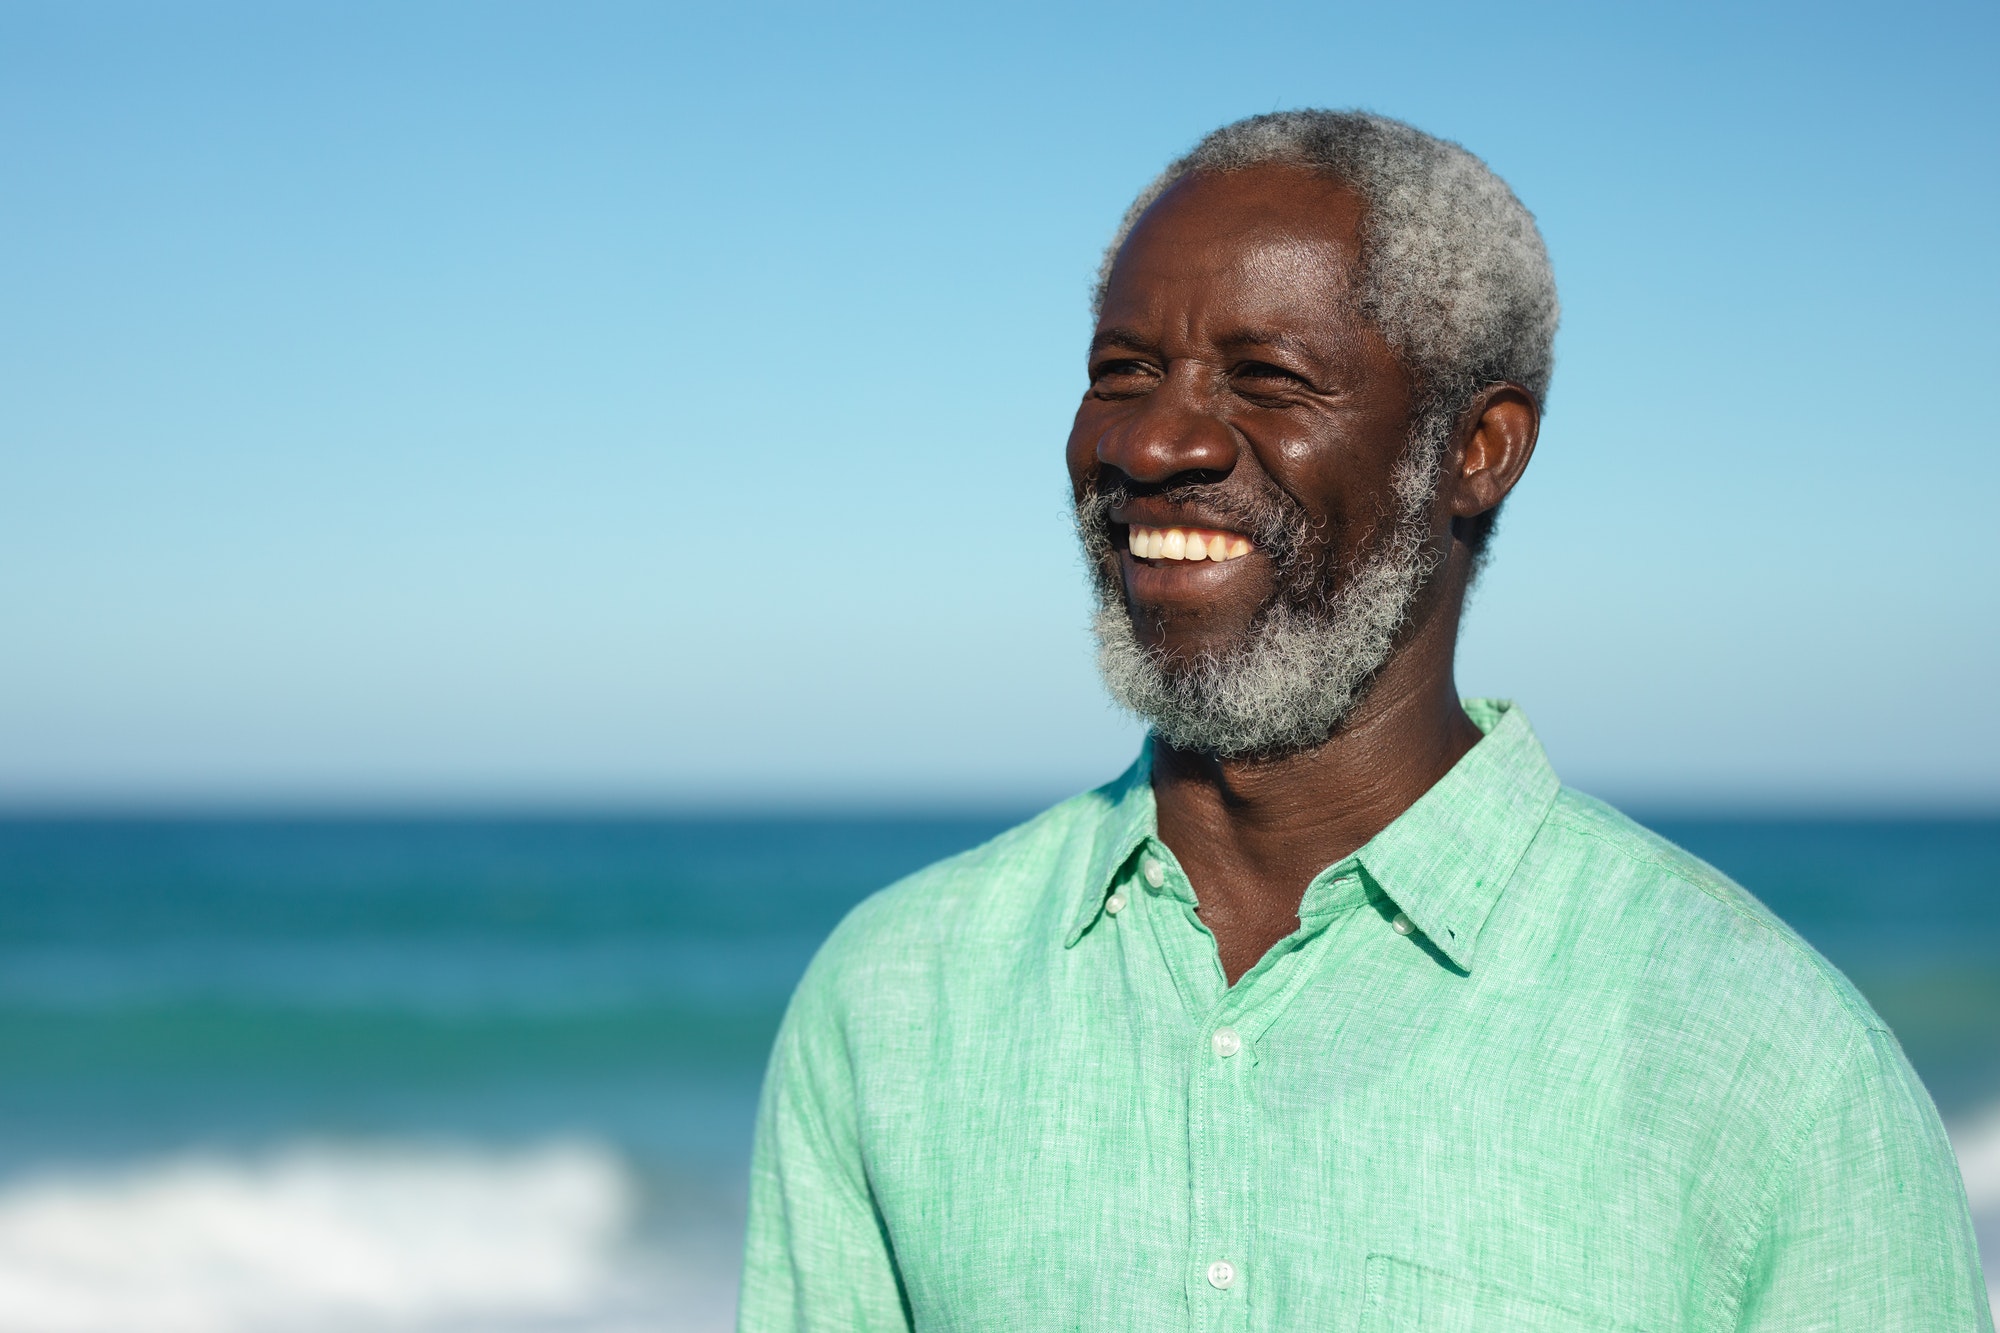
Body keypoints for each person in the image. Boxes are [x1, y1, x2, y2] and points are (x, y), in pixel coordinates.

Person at [735, 110, 1991, 1331]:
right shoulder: (891, 1002)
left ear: (1476, 450)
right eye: (1122, 371)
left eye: (1265, 377)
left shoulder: (1765, 1065)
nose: (1159, 439)